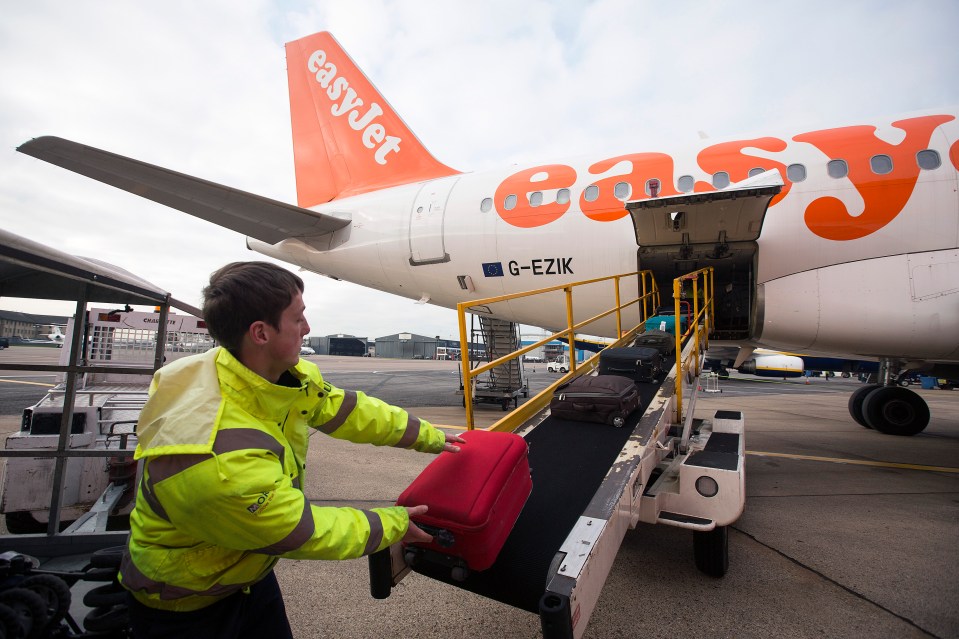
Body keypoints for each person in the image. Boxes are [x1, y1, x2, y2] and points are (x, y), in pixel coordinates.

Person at [120, 261, 464, 638]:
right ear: (261, 333)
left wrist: (426, 435)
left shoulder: (273, 376)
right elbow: (300, 530)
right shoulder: (216, 454)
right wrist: (394, 524)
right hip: (188, 602)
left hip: (248, 572)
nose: (308, 328)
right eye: (298, 318)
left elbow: (345, 409)